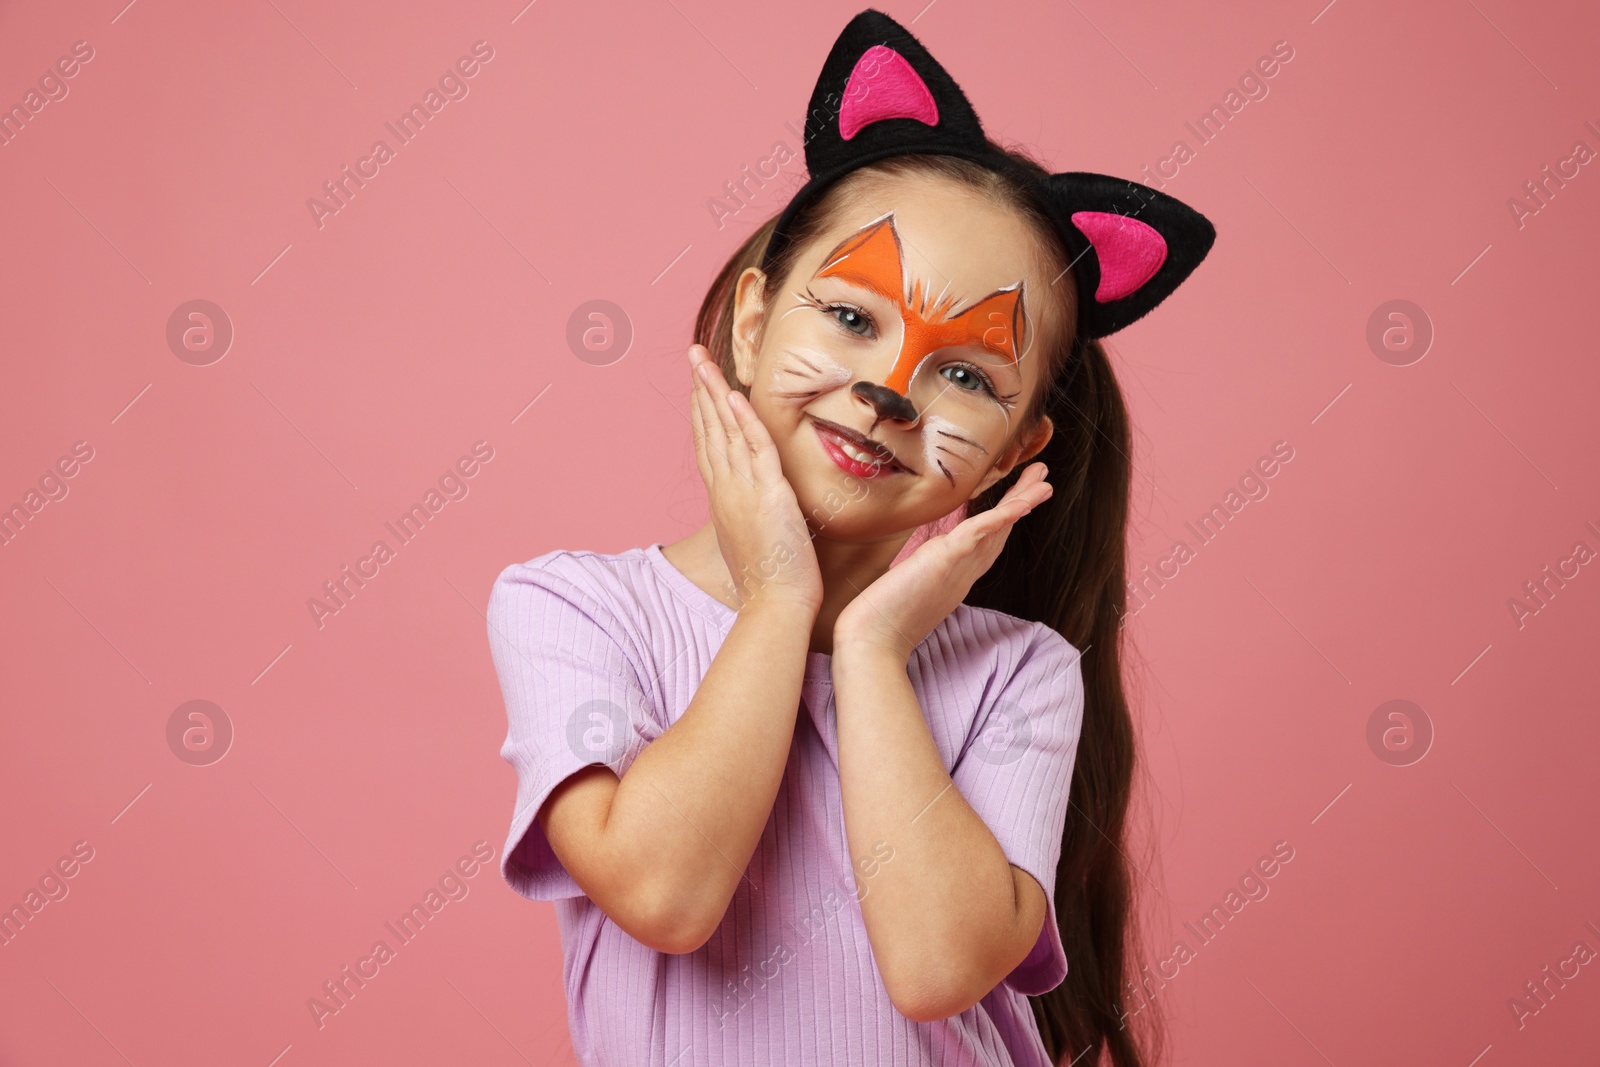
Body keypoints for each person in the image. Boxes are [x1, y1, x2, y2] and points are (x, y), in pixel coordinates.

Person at [486, 9, 1215, 1065]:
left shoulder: (1017, 672)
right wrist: (779, 598)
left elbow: (933, 966)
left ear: (1015, 449)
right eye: (851, 317)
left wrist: (871, 654)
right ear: (751, 322)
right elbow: (666, 892)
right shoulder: (574, 608)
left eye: (966, 374)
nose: (887, 390)